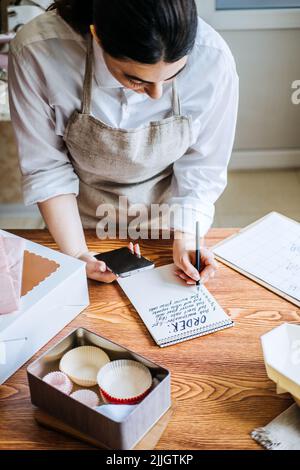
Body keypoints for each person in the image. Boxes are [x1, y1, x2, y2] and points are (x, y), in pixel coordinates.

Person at [8, 0, 239, 284]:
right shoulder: (38, 51)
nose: (156, 94)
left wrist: (188, 236)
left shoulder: (213, 59)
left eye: (173, 75)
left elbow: (202, 167)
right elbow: (46, 169)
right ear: (97, 36)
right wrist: (78, 254)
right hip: (79, 224)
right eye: (135, 79)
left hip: (168, 226)